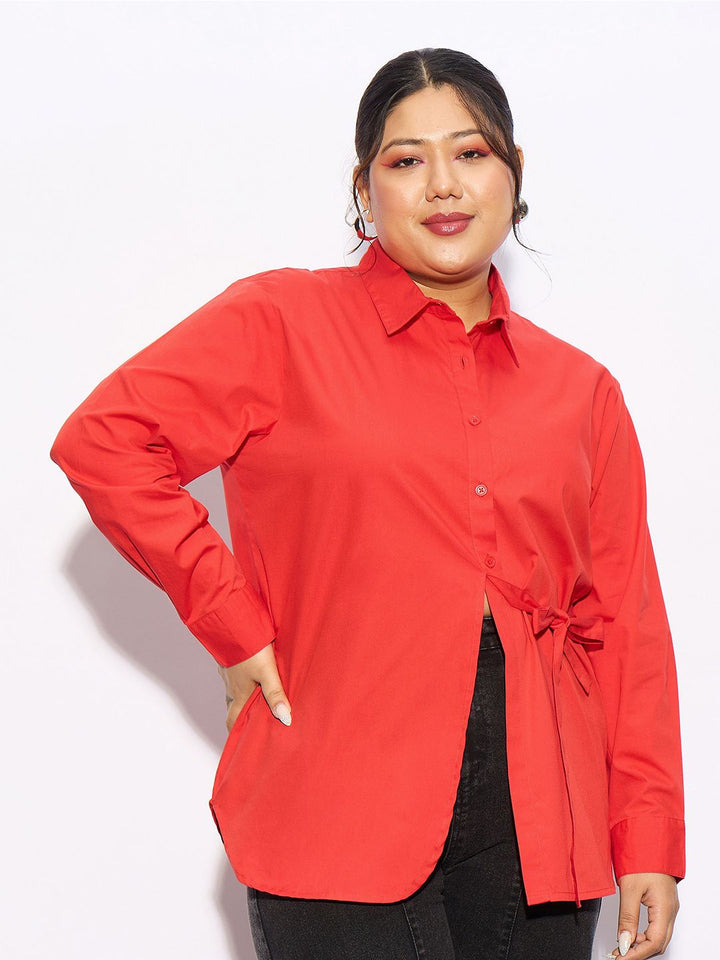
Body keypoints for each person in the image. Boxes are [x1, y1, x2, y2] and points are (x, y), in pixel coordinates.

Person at [49, 47, 684, 960]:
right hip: (338, 796)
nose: (442, 184)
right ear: (364, 187)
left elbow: (625, 626)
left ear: (514, 172)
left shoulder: (582, 391)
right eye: (405, 160)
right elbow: (106, 441)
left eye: (471, 153)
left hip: (543, 818)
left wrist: (647, 837)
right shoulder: (280, 322)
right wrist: (233, 624)